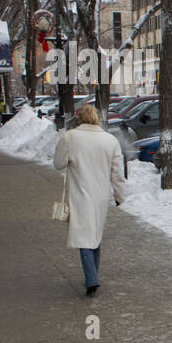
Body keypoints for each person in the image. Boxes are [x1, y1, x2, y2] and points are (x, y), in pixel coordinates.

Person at [53, 104, 127, 297]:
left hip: (79, 194)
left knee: (84, 236)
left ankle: (92, 279)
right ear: (97, 118)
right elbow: (117, 173)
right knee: (94, 234)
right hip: (101, 196)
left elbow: (58, 164)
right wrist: (120, 195)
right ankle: (92, 275)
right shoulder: (110, 140)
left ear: (80, 119)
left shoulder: (71, 137)